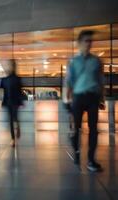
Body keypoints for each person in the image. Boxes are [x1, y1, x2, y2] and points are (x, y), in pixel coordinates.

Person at [66, 30, 105, 172]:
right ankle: (76, 153)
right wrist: (66, 100)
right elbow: (68, 82)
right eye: (86, 41)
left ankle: (91, 160)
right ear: (79, 43)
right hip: (78, 97)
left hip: (93, 97)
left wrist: (102, 98)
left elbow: (100, 81)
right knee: (75, 129)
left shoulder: (97, 61)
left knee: (93, 129)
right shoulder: (73, 62)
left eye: (90, 41)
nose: (89, 43)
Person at [1, 60, 23, 147]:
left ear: (13, 67)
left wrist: (20, 102)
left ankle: (18, 126)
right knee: (10, 120)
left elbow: (19, 92)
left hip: (15, 102)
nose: (8, 67)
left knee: (15, 117)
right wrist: (3, 102)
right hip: (8, 102)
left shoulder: (17, 79)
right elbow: (5, 92)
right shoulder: (5, 80)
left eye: (10, 65)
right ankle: (13, 139)